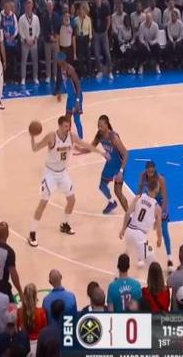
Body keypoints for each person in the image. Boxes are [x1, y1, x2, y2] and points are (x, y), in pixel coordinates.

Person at [27, 116, 107, 247]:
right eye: (65, 126)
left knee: (72, 200)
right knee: (43, 202)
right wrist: (32, 136)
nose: (68, 128)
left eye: (69, 126)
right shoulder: (51, 137)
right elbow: (35, 148)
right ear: (59, 126)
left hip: (63, 172)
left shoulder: (72, 137)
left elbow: (86, 145)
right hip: (50, 173)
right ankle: (32, 233)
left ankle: (64, 224)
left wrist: (101, 153)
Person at [137, 161, 173, 271]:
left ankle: (169, 259)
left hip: (160, 202)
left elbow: (165, 197)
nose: (150, 173)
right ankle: (141, 255)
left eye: (152, 171)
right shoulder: (143, 176)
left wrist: (162, 212)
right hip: (149, 202)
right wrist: (138, 203)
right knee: (141, 229)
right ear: (146, 170)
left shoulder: (161, 179)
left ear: (155, 170)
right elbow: (139, 191)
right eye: (149, 171)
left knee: (164, 231)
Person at [119, 180, 163, 268]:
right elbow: (159, 227)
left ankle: (119, 273)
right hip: (140, 236)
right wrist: (159, 239)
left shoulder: (138, 197)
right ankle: (142, 259)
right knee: (153, 263)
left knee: (126, 256)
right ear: (157, 189)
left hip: (129, 231)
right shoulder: (157, 208)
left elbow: (128, 213)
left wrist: (123, 229)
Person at [93, 114, 129, 214]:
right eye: (98, 125)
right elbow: (91, 146)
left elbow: (126, 154)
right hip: (109, 165)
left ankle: (129, 216)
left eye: (101, 126)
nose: (99, 128)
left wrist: (121, 171)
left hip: (118, 166)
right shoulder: (99, 135)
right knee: (102, 186)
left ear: (107, 125)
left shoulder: (114, 137)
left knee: (118, 192)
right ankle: (112, 202)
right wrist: (81, 149)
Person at [56, 53, 84, 139]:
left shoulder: (70, 69)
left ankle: (81, 139)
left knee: (76, 120)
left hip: (76, 97)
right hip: (70, 97)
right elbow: (63, 81)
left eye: (58, 60)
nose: (57, 61)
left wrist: (78, 101)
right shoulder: (62, 68)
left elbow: (78, 85)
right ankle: (68, 138)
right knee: (67, 119)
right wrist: (60, 92)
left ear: (62, 60)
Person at [17, 283, 47, 354]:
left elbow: (17, 330)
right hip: (38, 345)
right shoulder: (41, 312)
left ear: (24, 296)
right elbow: (44, 331)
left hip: (24, 346)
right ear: (35, 297)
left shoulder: (19, 312)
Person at [92, 0, 113, 80]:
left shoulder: (105, 6)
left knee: (107, 52)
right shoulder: (93, 7)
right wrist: (93, 31)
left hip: (104, 32)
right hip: (96, 32)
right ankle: (100, 71)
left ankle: (110, 71)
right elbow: (92, 19)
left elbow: (108, 19)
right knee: (97, 53)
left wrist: (106, 30)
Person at [18, 0, 40, 85]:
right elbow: (20, 30)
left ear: (32, 6)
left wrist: (35, 38)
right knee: (24, 61)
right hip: (25, 43)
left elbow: (38, 29)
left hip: (34, 42)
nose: (29, 6)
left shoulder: (36, 18)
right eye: (27, 4)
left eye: (30, 4)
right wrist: (25, 39)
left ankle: (35, 77)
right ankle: (23, 78)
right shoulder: (21, 18)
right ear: (25, 5)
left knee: (35, 61)